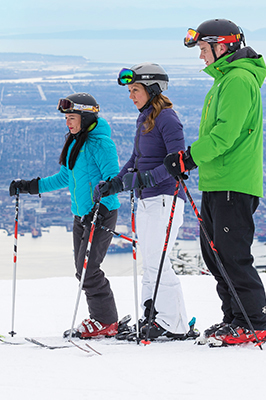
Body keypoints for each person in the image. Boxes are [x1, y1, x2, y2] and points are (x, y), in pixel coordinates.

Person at [164, 18, 266, 345]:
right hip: (218, 182)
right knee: (215, 255)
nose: (201, 57)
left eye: (202, 49)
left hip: (233, 183)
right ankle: (235, 319)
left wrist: (189, 157)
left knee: (231, 254)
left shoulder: (238, 80)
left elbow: (225, 135)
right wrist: (192, 159)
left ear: (222, 45)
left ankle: (253, 322)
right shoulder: (225, 80)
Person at [9, 93, 121, 338]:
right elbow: (63, 178)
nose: (68, 123)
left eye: (72, 117)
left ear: (86, 116)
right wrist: (30, 186)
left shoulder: (101, 144)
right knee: (82, 270)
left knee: (89, 269)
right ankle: (101, 319)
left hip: (101, 214)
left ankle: (105, 321)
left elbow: (113, 181)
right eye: (67, 118)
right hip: (81, 215)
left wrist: (100, 210)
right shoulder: (75, 142)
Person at [97, 62, 191, 340]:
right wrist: (115, 183)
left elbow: (180, 162)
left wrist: (148, 179)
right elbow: (136, 160)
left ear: (152, 89)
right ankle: (154, 315)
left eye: (135, 89)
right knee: (149, 261)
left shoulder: (167, 118)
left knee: (156, 261)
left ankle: (175, 323)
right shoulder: (146, 118)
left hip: (166, 198)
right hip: (148, 200)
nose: (130, 95)